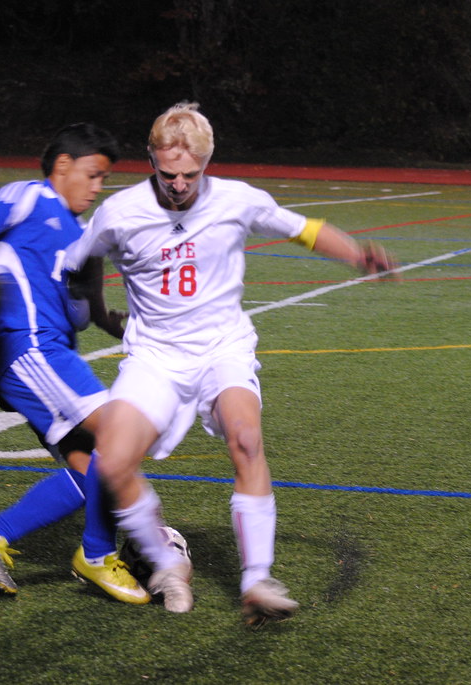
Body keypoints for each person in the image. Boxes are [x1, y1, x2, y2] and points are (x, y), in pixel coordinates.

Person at [64, 102, 395, 625]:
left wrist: (357, 254)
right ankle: (166, 561)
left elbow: (301, 229)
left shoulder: (237, 199)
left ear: (207, 162)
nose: (177, 185)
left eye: (190, 175)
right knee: (115, 458)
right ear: (151, 159)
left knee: (246, 437)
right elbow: (80, 262)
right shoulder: (121, 212)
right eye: (167, 173)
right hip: (156, 355)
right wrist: (100, 314)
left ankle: (256, 579)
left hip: (223, 348)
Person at [0, 123, 148, 604]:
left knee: (89, 470)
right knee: (120, 435)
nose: (98, 187)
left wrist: (129, 328)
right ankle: (98, 556)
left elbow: (90, 312)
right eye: (93, 174)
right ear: (63, 164)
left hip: (53, 353)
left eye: (104, 179)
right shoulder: (30, 195)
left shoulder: (80, 235)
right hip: (30, 349)